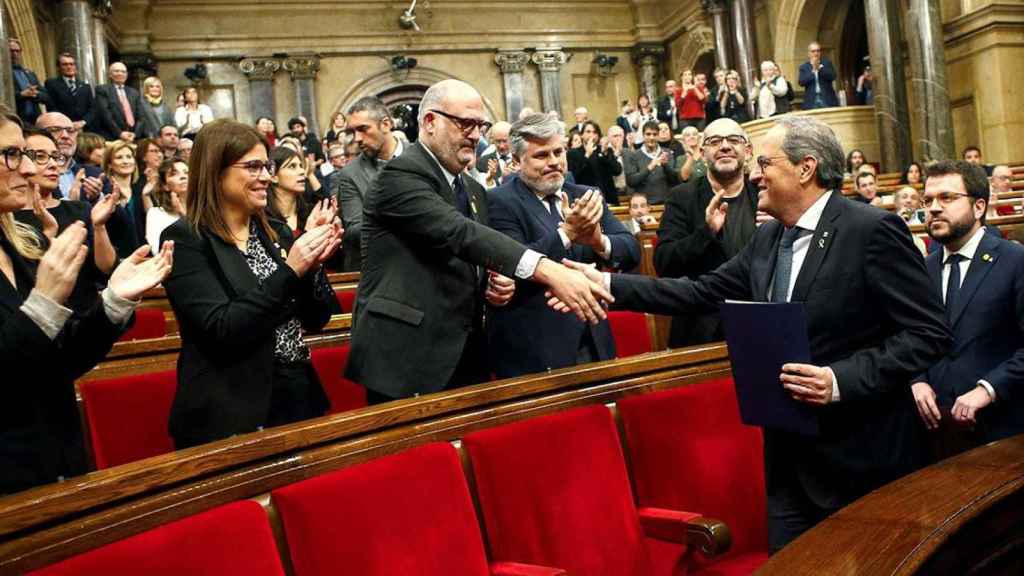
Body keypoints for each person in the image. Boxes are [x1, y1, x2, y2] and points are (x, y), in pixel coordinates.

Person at [549, 115, 951, 553]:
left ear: (805, 168)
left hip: (862, 459)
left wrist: (839, 381)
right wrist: (604, 283)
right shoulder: (769, 239)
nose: (754, 173)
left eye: (765, 162)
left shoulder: (870, 230)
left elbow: (928, 333)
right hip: (787, 460)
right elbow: (699, 291)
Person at [346, 79, 612, 404]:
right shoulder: (399, 176)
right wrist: (549, 270)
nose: (475, 134)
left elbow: (476, 255)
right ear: (430, 121)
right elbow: (459, 234)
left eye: (480, 125)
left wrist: (496, 284)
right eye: (465, 124)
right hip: (405, 358)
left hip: (467, 352)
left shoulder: (471, 189)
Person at [0, 106, 173, 494]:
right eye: (11, 154)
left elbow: (61, 362)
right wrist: (42, 305)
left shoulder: (15, 244)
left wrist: (113, 301)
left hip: (59, 465)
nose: (27, 170)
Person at [160, 119, 341, 449]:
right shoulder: (186, 240)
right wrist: (291, 269)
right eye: (254, 167)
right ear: (216, 170)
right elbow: (224, 328)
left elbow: (319, 318)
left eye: (268, 166)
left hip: (297, 394)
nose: (267, 177)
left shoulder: (276, 232)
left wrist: (313, 265)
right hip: (229, 409)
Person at [487, 113, 639, 378]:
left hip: (595, 339)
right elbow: (515, 263)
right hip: (537, 347)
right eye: (542, 155)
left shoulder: (586, 194)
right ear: (516, 160)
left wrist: (599, 241)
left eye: (558, 152)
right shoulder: (499, 202)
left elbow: (630, 250)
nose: (554, 162)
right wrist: (567, 233)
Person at [912, 160, 1024, 460]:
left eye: (947, 198)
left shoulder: (1015, 260)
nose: (933, 208)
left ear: (978, 207)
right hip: (936, 430)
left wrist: (988, 388)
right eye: (928, 200)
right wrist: (917, 381)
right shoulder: (923, 270)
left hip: (1003, 427)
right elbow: (911, 337)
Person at [654, 118, 760, 347]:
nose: (724, 146)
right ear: (702, 153)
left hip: (760, 323)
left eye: (734, 140)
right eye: (714, 141)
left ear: (748, 150)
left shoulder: (764, 194)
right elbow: (664, 263)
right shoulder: (681, 197)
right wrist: (707, 232)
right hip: (702, 328)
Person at [16, 128, 118, 312]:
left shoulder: (78, 209)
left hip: (85, 318)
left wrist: (99, 226)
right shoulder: (9, 219)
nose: (53, 164)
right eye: (40, 156)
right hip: (37, 319)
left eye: (56, 157)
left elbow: (105, 269)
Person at [332, 96, 405, 271]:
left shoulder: (422, 159)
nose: (357, 138)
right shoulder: (350, 174)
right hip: (378, 272)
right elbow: (356, 231)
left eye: (363, 129)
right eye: (353, 131)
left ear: (386, 125)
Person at [267, 146, 338, 237]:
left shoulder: (312, 214)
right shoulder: (266, 220)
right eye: (292, 166)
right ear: (273, 177)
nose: (302, 171)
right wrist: (308, 233)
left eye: (301, 166)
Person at [102, 140, 144, 257]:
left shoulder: (141, 190)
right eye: (119, 157)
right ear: (109, 164)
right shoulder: (105, 192)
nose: (125, 161)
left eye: (129, 157)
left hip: (145, 254)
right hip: (117, 257)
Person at [567, 120, 621, 203]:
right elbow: (574, 176)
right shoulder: (573, 153)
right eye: (588, 132)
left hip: (608, 198)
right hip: (586, 199)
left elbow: (617, 171)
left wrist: (605, 154)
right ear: (582, 135)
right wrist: (587, 156)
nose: (591, 135)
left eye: (595, 132)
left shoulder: (605, 150)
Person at [624, 120, 678, 204]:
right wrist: (649, 167)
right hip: (643, 205)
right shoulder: (633, 155)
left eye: (654, 134)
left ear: (658, 135)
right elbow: (631, 181)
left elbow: (674, 179)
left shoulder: (667, 153)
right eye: (648, 134)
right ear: (643, 135)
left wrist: (665, 166)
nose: (651, 137)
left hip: (665, 203)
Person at [145, 157, 188, 253]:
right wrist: (183, 216)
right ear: (165, 185)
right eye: (174, 174)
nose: (183, 176)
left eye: (187, 173)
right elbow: (157, 251)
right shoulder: (156, 214)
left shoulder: (205, 210)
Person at [42, 53, 94, 132]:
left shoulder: (85, 86)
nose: (69, 67)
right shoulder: (51, 84)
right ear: (58, 68)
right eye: (65, 64)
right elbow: (51, 106)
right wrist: (67, 123)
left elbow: (92, 108)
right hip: (62, 128)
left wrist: (83, 122)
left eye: (71, 64)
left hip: (84, 128)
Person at [95, 62, 144, 142]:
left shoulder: (134, 92)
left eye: (123, 71)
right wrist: (119, 133)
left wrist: (135, 134)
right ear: (110, 74)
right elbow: (105, 115)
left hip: (133, 138)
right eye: (116, 71)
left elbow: (141, 116)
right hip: (113, 138)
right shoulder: (102, 90)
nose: (120, 73)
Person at [9, 39, 47, 126]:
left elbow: (46, 96)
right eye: (11, 51)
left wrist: (36, 94)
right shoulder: (3, 74)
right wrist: (22, 95)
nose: (15, 54)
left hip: (35, 120)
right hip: (15, 119)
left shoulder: (30, 73)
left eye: (17, 51)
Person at [798, 42, 839, 109]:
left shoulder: (827, 63)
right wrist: (813, 71)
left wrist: (820, 69)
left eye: (818, 51)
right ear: (809, 53)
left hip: (827, 99)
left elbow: (833, 76)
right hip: (811, 101)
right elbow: (801, 82)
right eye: (813, 51)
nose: (816, 53)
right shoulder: (804, 67)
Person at [476, 121, 517, 188]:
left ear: (512, 139)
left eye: (504, 141)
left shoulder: (521, 160)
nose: (501, 146)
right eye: (498, 141)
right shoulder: (482, 162)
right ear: (493, 140)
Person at [605, 125, 629, 202]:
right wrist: (615, 155)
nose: (618, 138)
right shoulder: (605, 152)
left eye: (620, 136)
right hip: (611, 191)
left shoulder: (628, 152)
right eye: (615, 136)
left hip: (627, 190)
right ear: (609, 138)